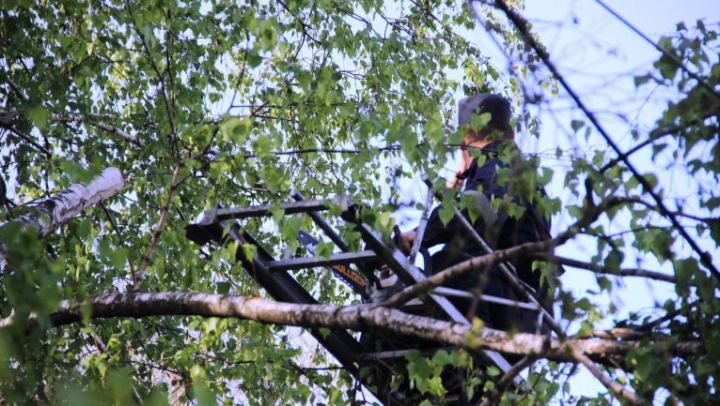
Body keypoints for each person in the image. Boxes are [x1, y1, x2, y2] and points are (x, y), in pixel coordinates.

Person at [399, 93, 556, 334]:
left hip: (504, 303)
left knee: (445, 265)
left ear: (465, 139)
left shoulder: (496, 160)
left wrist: (420, 234)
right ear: (511, 134)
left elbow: (478, 207)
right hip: (527, 317)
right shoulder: (524, 174)